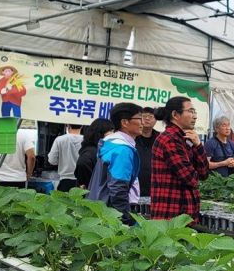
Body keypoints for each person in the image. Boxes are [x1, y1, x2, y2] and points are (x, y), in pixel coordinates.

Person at [151, 96, 209, 224]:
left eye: (195, 112)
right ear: (175, 114)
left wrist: (198, 145)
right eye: (190, 111)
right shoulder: (170, 139)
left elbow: (204, 174)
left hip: (181, 215)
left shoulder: (184, 138)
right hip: (171, 216)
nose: (195, 116)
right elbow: (191, 178)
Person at [86, 103, 143, 225]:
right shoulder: (122, 149)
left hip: (102, 208)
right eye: (139, 118)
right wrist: (125, 218)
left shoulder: (111, 143)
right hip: (112, 213)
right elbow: (118, 186)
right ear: (125, 122)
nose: (143, 122)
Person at [75, 118, 114, 189]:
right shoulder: (92, 151)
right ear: (100, 133)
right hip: (92, 196)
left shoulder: (96, 149)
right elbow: (83, 163)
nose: (113, 135)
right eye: (110, 131)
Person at [48, 124, 83, 192]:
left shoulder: (59, 140)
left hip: (65, 181)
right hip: (82, 183)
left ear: (68, 125)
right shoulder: (86, 140)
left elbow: (52, 160)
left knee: (63, 202)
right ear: (82, 126)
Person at [135, 107, 159, 197]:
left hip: (154, 185)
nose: (147, 118)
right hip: (135, 184)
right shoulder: (132, 136)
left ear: (156, 120)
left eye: (151, 116)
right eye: (144, 116)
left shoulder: (160, 138)